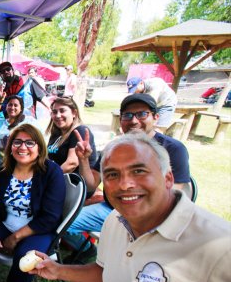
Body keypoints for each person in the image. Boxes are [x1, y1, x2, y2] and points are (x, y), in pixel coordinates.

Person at [20, 132, 231, 282]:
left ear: (168, 178)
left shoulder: (217, 245)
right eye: (112, 175)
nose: (124, 184)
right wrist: (57, 270)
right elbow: (104, 271)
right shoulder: (116, 219)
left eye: (139, 171)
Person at [65, 93, 191, 254]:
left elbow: (179, 193)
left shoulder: (173, 148)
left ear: (156, 117)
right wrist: (83, 160)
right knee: (62, 220)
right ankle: (91, 252)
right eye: (128, 115)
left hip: (151, 215)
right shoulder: (114, 148)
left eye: (142, 114)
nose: (134, 120)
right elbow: (91, 184)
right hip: (110, 210)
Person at [0, 123, 65, 282]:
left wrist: (16, 237)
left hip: (37, 229)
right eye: (17, 142)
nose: (23, 147)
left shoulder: (51, 172)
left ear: (39, 147)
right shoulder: (3, 170)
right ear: (10, 146)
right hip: (4, 223)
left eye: (30, 142)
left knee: (25, 258)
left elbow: (49, 217)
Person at [0, 95, 36, 181]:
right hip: (0, 160)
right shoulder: (0, 123)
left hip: (17, 162)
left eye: (15, 105)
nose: (12, 107)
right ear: (6, 107)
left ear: (21, 108)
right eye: (10, 105)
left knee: (3, 180)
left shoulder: (27, 122)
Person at [45, 97, 97, 174]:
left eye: (62, 111)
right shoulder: (56, 133)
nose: (58, 115)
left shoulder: (80, 131)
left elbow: (72, 164)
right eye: (54, 112)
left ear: (74, 113)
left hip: (74, 182)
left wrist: (50, 177)